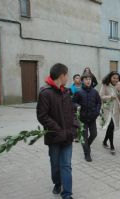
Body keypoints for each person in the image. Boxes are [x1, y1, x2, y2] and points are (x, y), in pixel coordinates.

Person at [37, 63, 79, 199]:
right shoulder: (45, 93)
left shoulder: (66, 92)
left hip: (67, 136)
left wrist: (74, 127)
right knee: (55, 165)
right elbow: (42, 116)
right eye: (67, 75)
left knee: (66, 165)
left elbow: (72, 112)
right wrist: (58, 129)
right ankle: (57, 183)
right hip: (54, 137)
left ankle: (67, 194)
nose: (68, 78)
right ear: (62, 76)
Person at [73, 72, 101, 162]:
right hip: (82, 118)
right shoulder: (79, 92)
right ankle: (87, 154)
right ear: (82, 81)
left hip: (92, 117)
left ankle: (87, 146)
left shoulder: (95, 92)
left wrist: (97, 112)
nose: (88, 81)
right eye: (86, 79)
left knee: (94, 134)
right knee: (84, 137)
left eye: (89, 79)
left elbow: (99, 103)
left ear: (91, 80)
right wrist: (77, 106)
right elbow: (72, 102)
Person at [99, 71, 120, 155]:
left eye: (117, 78)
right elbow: (101, 96)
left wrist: (119, 91)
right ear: (110, 77)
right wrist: (110, 97)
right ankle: (112, 146)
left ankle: (104, 141)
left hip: (115, 109)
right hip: (107, 109)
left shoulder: (119, 85)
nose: (115, 79)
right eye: (114, 78)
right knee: (110, 125)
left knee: (111, 127)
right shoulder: (105, 85)